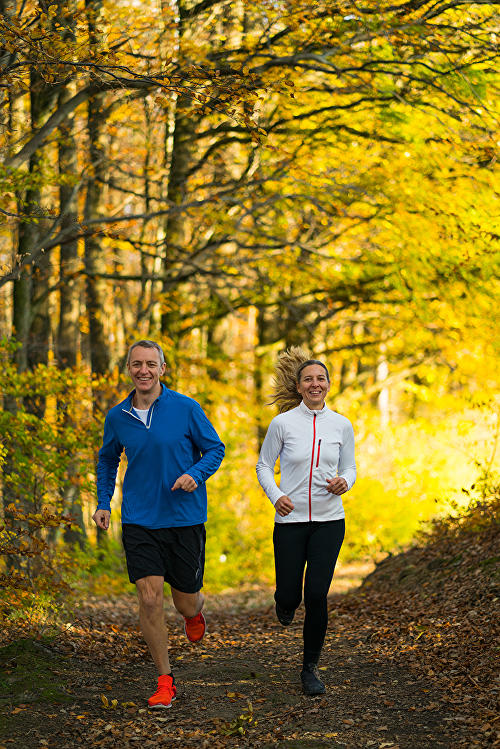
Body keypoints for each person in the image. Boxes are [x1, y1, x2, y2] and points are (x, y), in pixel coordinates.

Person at [92, 340, 225, 709]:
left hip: (184, 517)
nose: (144, 370)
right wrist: (103, 503)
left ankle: (195, 611)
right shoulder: (118, 416)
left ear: (162, 369)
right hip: (139, 518)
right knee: (149, 597)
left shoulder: (186, 408)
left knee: (183, 601)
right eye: (137, 364)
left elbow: (215, 449)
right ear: (129, 369)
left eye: (151, 364)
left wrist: (195, 474)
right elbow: (107, 460)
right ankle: (165, 680)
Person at [256, 347, 356, 696]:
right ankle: (284, 602)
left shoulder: (342, 424)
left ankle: (309, 667)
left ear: (329, 384)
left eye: (320, 379)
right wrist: (276, 495)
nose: (315, 384)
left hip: (330, 520)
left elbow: (350, 467)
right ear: (298, 387)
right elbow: (264, 466)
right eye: (308, 379)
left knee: (316, 593)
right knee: (290, 594)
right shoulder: (282, 424)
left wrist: (346, 481)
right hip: (290, 520)